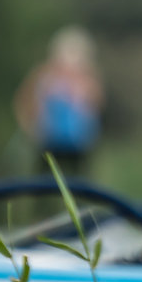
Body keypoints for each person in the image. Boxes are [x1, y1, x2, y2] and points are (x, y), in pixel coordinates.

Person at [15, 26, 104, 175]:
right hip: (47, 141)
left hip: (79, 145)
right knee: (44, 185)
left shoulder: (87, 78)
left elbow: (97, 105)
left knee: (78, 184)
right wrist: (29, 128)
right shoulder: (43, 76)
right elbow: (23, 101)